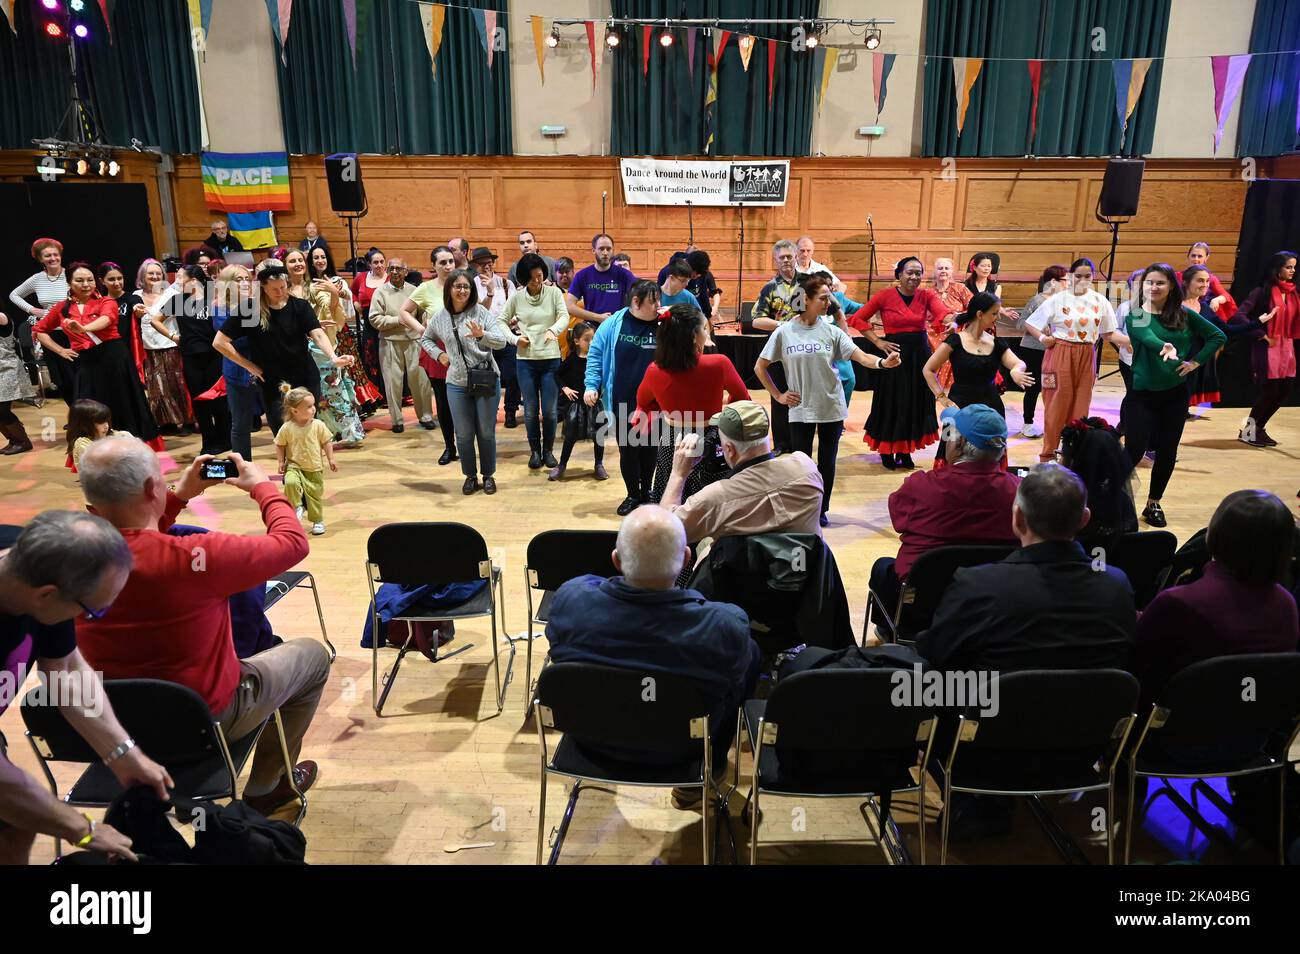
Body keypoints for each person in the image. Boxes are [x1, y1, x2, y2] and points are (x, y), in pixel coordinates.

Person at [75, 437, 328, 818]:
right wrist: (263, 487)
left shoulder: (63, 562)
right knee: (313, 656)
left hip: (109, 727)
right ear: (151, 488)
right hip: (205, 719)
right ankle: (269, 791)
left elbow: (134, 537)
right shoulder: (197, 557)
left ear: (91, 507)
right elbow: (292, 543)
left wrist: (178, 496)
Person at [544, 505, 761, 799]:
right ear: (687, 559)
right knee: (751, 653)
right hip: (683, 750)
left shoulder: (570, 600)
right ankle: (710, 768)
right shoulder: (725, 625)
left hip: (589, 742)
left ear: (616, 561)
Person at [0, 511, 174, 865]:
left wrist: (124, 754)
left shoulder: (39, 568)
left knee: (18, 823)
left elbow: (65, 671)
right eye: (92, 612)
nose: (89, 618)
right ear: (46, 595)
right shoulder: (44, 582)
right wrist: (83, 828)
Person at [915, 462, 1135, 672]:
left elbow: (934, 654)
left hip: (995, 709)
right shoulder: (1117, 585)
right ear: (1084, 519)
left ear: (1017, 518)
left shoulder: (975, 585)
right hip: (1094, 711)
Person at [757, 274, 901, 525]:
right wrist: (778, 396)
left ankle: (821, 509)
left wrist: (882, 363)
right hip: (800, 408)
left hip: (831, 407)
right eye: (823, 298)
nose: (829, 302)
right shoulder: (785, 332)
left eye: (829, 297)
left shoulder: (831, 331)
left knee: (827, 461)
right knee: (801, 464)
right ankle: (803, 509)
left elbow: (861, 357)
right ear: (807, 300)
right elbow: (760, 367)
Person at [1134, 490, 1298, 700]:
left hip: (1172, 721)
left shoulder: (1181, 602)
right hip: (1249, 723)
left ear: (1212, 536)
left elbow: (1134, 657)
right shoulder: (1287, 605)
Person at [870, 405, 1022, 616]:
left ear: (959, 443)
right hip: (993, 607)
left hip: (924, 608)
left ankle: (891, 632)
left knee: (883, 568)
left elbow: (899, 521)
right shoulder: (1021, 493)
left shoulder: (921, 486)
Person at [1122, 262, 1226, 527]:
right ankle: (1110, 497)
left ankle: (1153, 503)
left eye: (1160, 282)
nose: (1154, 287)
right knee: (1134, 450)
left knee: (1167, 451)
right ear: (1143, 285)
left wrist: (1195, 362)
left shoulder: (1183, 315)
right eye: (1149, 282)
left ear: (1171, 287)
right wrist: (1164, 345)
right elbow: (1145, 336)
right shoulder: (1137, 315)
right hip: (1141, 395)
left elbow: (1217, 335)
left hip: (1174, 395)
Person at [212, 261, 353, 435]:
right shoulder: (250, 309)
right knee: (283, 433)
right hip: (273, 382)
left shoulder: (300, 306)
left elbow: (317, 333)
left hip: (304, 377)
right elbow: (219, 342)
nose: (280, 293)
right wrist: (250, 366)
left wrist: (333, 357)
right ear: (263, 287)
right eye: (274, 289)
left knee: (309, 429)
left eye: (283, 287)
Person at [35, 262, 163, 451]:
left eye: (90, 280)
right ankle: (94, 453)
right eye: (79, 280)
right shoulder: (62, 308)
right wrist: (60, 350)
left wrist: (83, 328)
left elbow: (107, 319)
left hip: (114, 358)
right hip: (85, 363)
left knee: (124, 404)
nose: (86, 284)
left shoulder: (106, 301)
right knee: (88, 410)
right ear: (69, 283)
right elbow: (40, 330)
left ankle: (133, 450)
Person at [662, 400, 823, 543]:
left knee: (704, 546)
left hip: (745, 576)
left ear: (729, 450)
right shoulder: (806, 468)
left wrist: (678, 474)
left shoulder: (714, 499)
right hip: (806, 573)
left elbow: (663, 534)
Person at [638, 304, 749, 504]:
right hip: (712, 438)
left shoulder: (654, 369)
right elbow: (743, 399)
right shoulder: (719, 363)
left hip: (672, 440)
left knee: (672, 493)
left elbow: (643, 403)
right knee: (713, 500)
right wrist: (724, 402)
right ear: (693, 336)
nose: (707, 332)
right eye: (704, 328)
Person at [411, 269, 509, 495]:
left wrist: (482, 335)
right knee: (463, 434)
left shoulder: (481, 313)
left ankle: (488, 475)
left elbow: (502, 342)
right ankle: (470, 476)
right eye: (458, 286)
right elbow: (425, 338)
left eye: (466, 286)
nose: (462, 290)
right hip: (456, 383)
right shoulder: (441, 317)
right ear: (449, 290)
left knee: (485, 432)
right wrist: (439, 355)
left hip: (484, 379)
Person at [1023, 257, 1129, 462]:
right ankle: (1048, 456)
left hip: (1087, 353)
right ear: (1071, 276)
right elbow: (1031, 323)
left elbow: (1109, 333)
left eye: (1087, 276)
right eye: (1077, 276)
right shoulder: (1058, 298)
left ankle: (1074, 455)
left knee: (1081, 408)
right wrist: (1043, 338)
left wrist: (1131, 341)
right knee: (1056, 406)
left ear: (1093, 277)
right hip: (1060, 353)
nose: (1082, 280)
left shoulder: (1100, 301)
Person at [850, 256, 951, 469]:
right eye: (909, 272)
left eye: (918, 273)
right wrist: (878, 342)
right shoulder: (885, 295)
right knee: (891, 402)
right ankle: (887, 450)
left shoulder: (926, 295)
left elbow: (942, 313)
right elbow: (858, 319)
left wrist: (954, 319)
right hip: (894, 357)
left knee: (915, 402)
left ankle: (905, 451)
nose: (914, 277)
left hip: (919, 356)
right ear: (899, 274)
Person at [923, 292, 1033, 468]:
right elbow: (928, 369)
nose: (997, 317)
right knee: (951, 447)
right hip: (959, 406)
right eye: (994, 313)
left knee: (991, 451)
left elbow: (1018, 363)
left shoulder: (996, 343)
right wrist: (941, 397)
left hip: (991, 407)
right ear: (980, 314)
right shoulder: (955, 340)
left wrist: (1016, 371)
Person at [583, 280, 663, 515]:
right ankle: (632, 494)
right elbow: (595, 354)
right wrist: (591, 385)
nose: (658, 305)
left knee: (649, 449)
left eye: (659, 299)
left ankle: (647, 491)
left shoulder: (664, 324)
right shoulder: (613, 324)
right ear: (636, 302)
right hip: (622, 399)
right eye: (653, 301)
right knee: (628, 450)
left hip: (655, 403)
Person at [282, 248, 364, 446]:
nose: (298, 264)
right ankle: (310, 434)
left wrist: (334, 295)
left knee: (332, 389)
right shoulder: (282, 291)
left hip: (321, 347)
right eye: (292, 261)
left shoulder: (315, 287)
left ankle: (343, 434)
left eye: (300, 260)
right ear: (285, 266)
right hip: (295, 349)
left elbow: (331, 311)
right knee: (305, 394)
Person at [150, 265, 231, 455]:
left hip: (215, 354)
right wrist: (173, 337)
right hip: (190, 356)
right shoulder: (178, 300)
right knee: (199, 400)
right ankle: (208, 441)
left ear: (194, 280)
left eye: (181, 280)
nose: (178, 283)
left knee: (219, 398)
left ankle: (225, 440)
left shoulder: (214, 297)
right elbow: (155, 320)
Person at [502, 252, 569, 470]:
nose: (537, 281)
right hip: (526, 361)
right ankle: (534, 452)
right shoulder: (517, 297)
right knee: (530, 410)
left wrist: (553, 330)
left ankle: (548, 451)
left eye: (539, 276)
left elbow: (564, 316)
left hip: (550, 359)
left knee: (549, 410)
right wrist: (514, 338)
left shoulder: (553, 293)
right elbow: (500, 322)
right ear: (523, 279)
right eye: (532, 278)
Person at [1232, 250, 1298, 449]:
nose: (1293, 271)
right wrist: (1261, 334)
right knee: (1269, 392)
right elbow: (1238, 316)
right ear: (1276, 269)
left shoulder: (1293, 292)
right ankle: (1249, 431)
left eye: (1294, 267)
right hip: (1268, 347)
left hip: (1287, 347)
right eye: (1288, 267)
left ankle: (1258, 428)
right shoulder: (1261, 292)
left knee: (1284, 391)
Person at [309, 244, 381, 417]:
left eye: (323, 257)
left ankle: (354, 408)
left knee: (349, 369)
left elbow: (349, 307)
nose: (320, 261)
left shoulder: (338, 281)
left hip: (339, 331)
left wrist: (339, 294)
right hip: (318, 333)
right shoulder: (307, 284)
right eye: (316, 258)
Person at [403, 246, 459, 463]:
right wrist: (421, 329)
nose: (447, 266)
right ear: (434, 266)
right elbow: (404, 312)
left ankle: (465, 445)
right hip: (438, 351)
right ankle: (449, 447)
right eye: (442, 262)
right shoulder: (426, 288)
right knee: (444, 403)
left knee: (463, 402)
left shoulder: (462, 283)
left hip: (463, 349)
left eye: (450, 261)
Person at [368, 256, 435, 433]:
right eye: (392, 269)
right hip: (390, 342)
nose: (395, 272)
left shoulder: (415, 290)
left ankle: (426, 416)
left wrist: (425, 324)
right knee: (393, 383)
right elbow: (374, 318)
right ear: (387, 272)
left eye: (399, 269)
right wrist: (397, 319)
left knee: (420, 382)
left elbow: (423, 314)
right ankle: (397, 420)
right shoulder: (380, 292)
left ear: (406, 271)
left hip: (415, 341)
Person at [751, 239, 803, 454]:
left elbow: (830, 309)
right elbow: (756, 320)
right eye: (781, 258)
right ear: (775, 261)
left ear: (797, 257)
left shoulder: (808, 283)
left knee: (803, 394)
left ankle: (801, 441)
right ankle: (782, 443)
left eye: (789, 257)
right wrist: (783, 324)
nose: (785, 261)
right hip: (780, 348)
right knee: (782, 394)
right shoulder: (770, 288)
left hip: (805, 347)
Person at [1058, 416, 1138, 550]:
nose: (1059, 462)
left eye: (1061, 456)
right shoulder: (1122, 501)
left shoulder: (1062, 502)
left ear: (1075, 461)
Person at [136, 258, 194, 434]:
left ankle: (186, 421)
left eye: (158, 273)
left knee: (178, 383)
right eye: (150, 273)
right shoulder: (136, 295)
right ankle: (165, 421)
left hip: (170, 344)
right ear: (142, 276)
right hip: (148, 347)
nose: (154, 276)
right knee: (157, 387)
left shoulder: (172, 293)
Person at [9, 238, 70, 400]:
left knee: (78, 376)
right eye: (47, 255)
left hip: (73, 332)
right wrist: (33, 310)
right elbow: (14, 295)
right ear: (40, 259)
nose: (52, 258)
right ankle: (75, 416)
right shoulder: (37, 279)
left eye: (55, 254)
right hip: (49, 335)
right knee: (60, 380)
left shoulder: (71, 275)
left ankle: (87, 416)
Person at [212, 264, 261, 460]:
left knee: (278, 419)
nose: (243, 283)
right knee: (241, 423)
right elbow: (232, 340)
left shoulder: (259, 303)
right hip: (237, 367)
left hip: (265, 366)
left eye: (246, 279)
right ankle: (242, 467)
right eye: (237, 279)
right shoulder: (219, 307)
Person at [1012, 265, 1068, 439]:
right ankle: (1027, 423)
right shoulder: (1037, 300)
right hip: (1033, 350)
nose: (1068, 284)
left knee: (1053, 387)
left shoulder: (1065, 301)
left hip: (1056, 350)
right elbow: (1020, 323)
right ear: (1053, 282)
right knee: (1034, 388)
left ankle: (1053, 423)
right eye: (1065, 280)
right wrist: (1040, 327)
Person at [275, 385, 337, 536]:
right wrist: (280, 462)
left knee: (314, 495)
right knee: (290, 483)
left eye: (313, 405)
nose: (313, 409)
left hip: (314, 467)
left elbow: (327, 442)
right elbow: (279, 444)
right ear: (295, 411)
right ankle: (296, 506)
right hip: (294, 466)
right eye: (309, 406)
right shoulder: (287, 427)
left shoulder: (318, 425)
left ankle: (317, 521)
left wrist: (331, 459)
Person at [470, 247, 521, 429]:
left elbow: (516, 308)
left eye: (489, 263)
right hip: (483, 338)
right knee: (485, 377)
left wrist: (515, 318)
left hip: (506, 335)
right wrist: (490, 292)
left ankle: (510, 411)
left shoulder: (506, 284)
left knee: (513, 376)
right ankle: (487, 414)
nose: (486, 267)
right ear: (475, 266)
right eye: (482, 264)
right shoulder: (470, 286)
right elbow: (478, 313)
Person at [550, 321, 607, 481]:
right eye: (586, 340)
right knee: (570, 436)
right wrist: (565, 388)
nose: (591, 343)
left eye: (593, 339)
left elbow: (603, 377)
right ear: (576, 341)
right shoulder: (572, 360)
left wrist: (600, 391)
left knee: (598, 435)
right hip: (576, 406)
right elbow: (557, 375)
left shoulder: (597, 359)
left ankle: (599, 464)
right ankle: (562, 464)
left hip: (594, 404)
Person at [1181, 264, 1228, 412]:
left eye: (1207, 281)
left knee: (1184, 401)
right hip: (1179, 356)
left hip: (1197, 357)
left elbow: (1225, 330)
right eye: (1200, 280)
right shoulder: (1175, 305)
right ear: (1186, 282)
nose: (1205, 285)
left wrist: (1257, 323)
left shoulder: (1205, 307)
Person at [567, 233, 637, 324]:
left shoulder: (625, 275)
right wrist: (598, 317)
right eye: (601, 249)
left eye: (608, 249)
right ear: (593, 250)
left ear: (613, 250)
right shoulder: (582, 275)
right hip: (591, 329)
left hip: (617, 326)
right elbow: (569, 306)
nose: (605, 253)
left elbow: (639, 299)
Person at [926, 257, 972, 393]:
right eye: (940, 268)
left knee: (954, 343)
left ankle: (952, 389)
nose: (943, 271)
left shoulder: (960, 288)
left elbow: (974, 307)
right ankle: (934, 388)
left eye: (947, 268)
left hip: (958, 329)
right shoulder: (928, 292)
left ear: (951, 272)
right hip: (934, 331)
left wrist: (958, 318)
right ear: (935, 271)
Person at [350, 248, 389, 404]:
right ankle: (375, 396)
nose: (379, 265)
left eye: (381, 262)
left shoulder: (390, 278)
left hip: (387, 324)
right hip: (368, 325)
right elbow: (352, 292)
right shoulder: (361, 277)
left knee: (388, 359)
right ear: (369, 264)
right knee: (370, 359)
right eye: (375, 262)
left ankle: (390, 395)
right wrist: (355, 303)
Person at [0, 308, 36, 454]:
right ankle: (14, 440)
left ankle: (22, 441)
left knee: (2, 409)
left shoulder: (1, 316)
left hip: (6, 368)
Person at [66, 398, 124, 471]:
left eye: (107, 421)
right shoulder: (82, 444)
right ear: (84, 424)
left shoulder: (113, 434)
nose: (106, 426)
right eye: (100, 422)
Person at [1186, 242, 1236, 321]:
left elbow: (1225, 295)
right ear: (1188, 256)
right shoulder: (1178, 275)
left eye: (1200, 256)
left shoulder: (1210, 278)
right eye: (1193, 255)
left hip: (1201, 314)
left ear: (1206, 258)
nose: (1196, 259)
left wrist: (1216, 300)